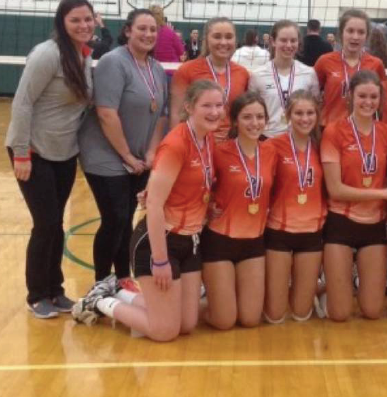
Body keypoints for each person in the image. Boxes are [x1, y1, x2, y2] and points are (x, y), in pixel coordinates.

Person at [72, 80, 223, 341]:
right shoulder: (176, 144)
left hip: (190, 240)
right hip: (159, 242)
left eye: (219, 105)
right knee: (165, 331)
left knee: (187, 324)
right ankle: (100, 301)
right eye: (207, 105)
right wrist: (160, 260)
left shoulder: (207, 139)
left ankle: (119, 291)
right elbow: (153, 204)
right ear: (189, 107)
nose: (215, 112)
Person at [5, 0, 95, 319]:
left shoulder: (83, 55)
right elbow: (22, 102)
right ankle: (37, 294)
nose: (83, 25)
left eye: (87, 19)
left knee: (56, 224)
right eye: (75, 20)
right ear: (62, 22)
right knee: (45, 224)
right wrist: (21, 153)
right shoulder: (47, 54)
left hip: (64, 152)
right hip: (34, 150)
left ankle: (55, 290)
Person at [78, 8, 167, 296]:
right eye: (142, 28)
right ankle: (102, 283)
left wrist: (151, 152)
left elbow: (161, 115)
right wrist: (127, 156)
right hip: (105, 154)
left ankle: (122, 277)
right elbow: (106, 113)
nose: (148, 34)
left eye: (153, 29)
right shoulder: (113, 62)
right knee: (114, 217)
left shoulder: (156, 68)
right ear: (128, 31)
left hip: (139, 157)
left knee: (126, 217)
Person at [319, 70, 387, 321]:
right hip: (341, 221)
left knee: (372, 311)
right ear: (350, 96)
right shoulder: (334, 131)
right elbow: (335, 189)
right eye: (362, 96)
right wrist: (384, 193)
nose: (368, 102)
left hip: (374, 225)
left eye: (373, 97)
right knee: (340, 314)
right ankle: (323, 289)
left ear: (380, 99)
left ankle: (374, 283)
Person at [200, 92, 276, 329]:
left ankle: (220, 298)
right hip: (220, 240)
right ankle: (192, 305)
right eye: (247, 117)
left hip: (254, 242)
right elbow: (196, 183)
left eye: (260, 117)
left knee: (251, 319)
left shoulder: (271, 151)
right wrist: (206, 207)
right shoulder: (219, 152)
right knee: (224, 322)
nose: (254, 123)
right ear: (235, 121)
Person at [264, 91, 327, 322]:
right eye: (299, 113)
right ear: (288, 115)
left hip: (312, 232)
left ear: (317, 115)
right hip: (279, 231)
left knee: (301, 313)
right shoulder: (272, 146)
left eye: (310, 113)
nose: (305, 118)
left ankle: (323, 287)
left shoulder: (323, 146)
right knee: (275, 314)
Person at [170, 17, 250, 140]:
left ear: (235, 40)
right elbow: (176, 114)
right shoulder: (186, 70)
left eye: (229, 37)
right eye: (217, 37)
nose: (223, 42)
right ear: (206, 40)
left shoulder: (243, 73)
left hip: (232, 143)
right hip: (198, 142)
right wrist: (177, 143)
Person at [315, 9, 387, 127]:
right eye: (350, 31)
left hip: (362, 130)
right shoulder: (324, 61)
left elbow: (382, 102)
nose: (355, 37)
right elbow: (312, 96)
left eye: (361, 32)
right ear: (341, 33)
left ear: (367, 36)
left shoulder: (376, 64)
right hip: (329, 129)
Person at [250, 20, 320, 139]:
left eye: (293, 40)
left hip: (299, 138)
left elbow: (315, 107)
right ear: (273, 41)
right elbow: (252, 111)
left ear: (298, 42)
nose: (288, 45)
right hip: (268, 138)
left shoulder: (309, 73)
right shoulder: (258, 75)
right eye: (283, 40)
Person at [150, 5, 185, 70]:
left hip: (153, 69)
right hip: (171, 69)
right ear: (162, 17)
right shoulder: (170, 32)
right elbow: (181, 51)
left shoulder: (147, 33)